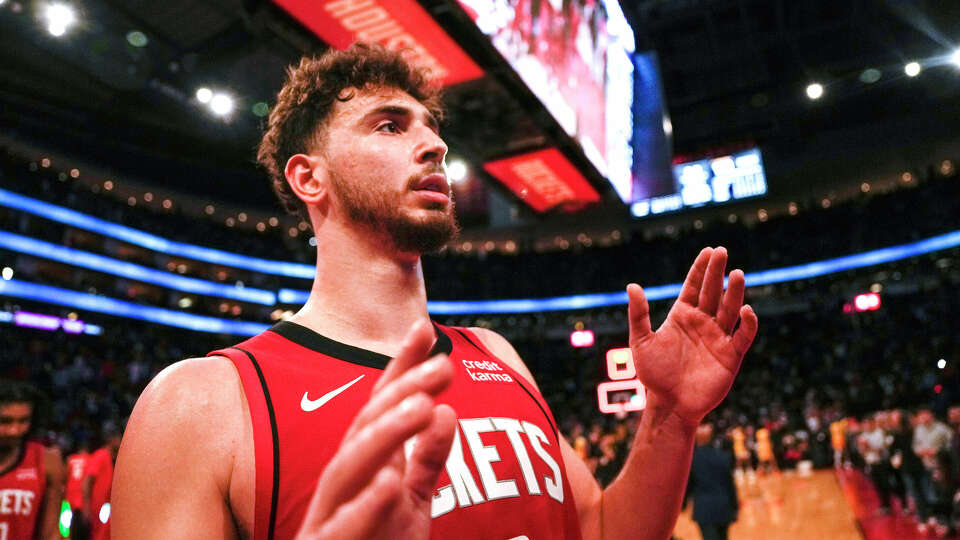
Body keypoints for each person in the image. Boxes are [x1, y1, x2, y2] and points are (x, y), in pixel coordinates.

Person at [112, 43, 758, 539]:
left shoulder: (498, 355)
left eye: (430, 126)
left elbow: (600, 530)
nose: (434, 143)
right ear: (310, 177)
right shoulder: (200, 406)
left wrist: (671, 418)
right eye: (390, 126)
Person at [0, 379, 65, 540]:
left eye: (23, 421)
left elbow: (51, 533)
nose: (15, 430)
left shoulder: (46, 460)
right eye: (5, 421)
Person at [685, 423, 738, 540]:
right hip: (724, 507)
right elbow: (731, 485)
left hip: (704, 509)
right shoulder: (723, 456)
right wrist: (735, 507)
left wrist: (682, 506)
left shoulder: (691, 460)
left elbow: (688, 486)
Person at [83, 424, 122, 540]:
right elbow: (87, 481)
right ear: (111, 439)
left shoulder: (112, 457)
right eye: (118, 438)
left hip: (105, 507)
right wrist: (86, 507)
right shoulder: (101, 455)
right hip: (98, 507)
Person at [65, 437, 91, 540]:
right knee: (82, 526)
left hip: (70, 494)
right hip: (81, 495)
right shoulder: (90, 459)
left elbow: (65, 476)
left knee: (67, 527)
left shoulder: (71, 459)